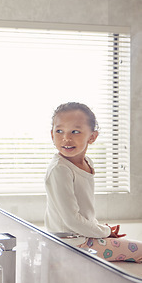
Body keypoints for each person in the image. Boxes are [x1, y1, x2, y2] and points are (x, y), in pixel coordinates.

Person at [45, 102, 142, 263]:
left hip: (80, 238)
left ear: (92, 137)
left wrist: (101, 230)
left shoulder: (87, 163)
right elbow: (72, 220)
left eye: (75, 131)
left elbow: (83, 212)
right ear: (52, 134)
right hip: (71, 245)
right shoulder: (60, 170)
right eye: (59, 131)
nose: (66, 138)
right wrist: (104, 231)